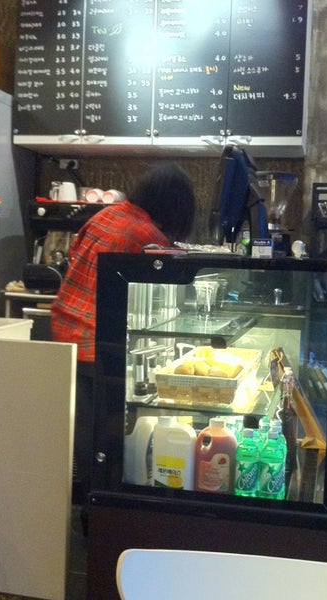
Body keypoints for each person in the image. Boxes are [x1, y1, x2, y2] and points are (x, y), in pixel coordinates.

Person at [51, 161, 196, 510]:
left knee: (82, 432)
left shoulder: (105, 215)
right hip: (96, 344)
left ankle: (86, 511)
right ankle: (102, 513)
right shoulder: (147, 237)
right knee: (103, 440)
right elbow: (172, 285)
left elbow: (75, 256)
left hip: (64, 335)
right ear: (174, 208)